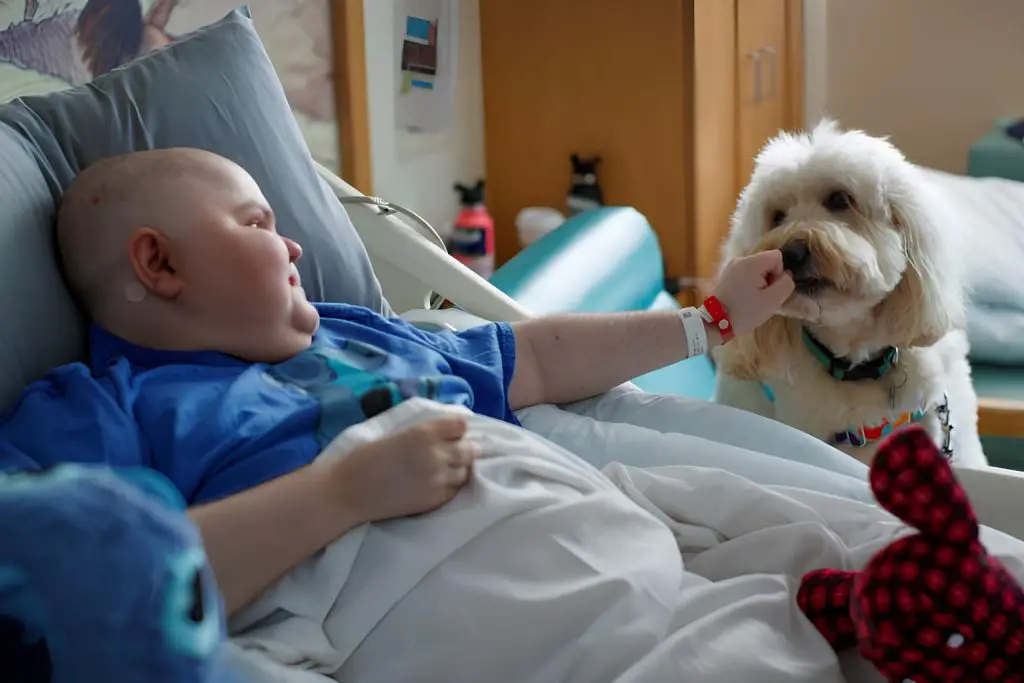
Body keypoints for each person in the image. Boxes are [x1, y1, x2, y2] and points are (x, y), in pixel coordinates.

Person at [0, 148, 795, 616]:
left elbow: (540, 358)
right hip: (453, 587)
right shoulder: (104, 410)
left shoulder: (352, 329)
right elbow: (83, 582)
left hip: (576, 509)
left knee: (793, 538)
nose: (294, 247)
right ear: (160, 263)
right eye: (256, 224)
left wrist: (712, 322)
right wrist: (341, 493)